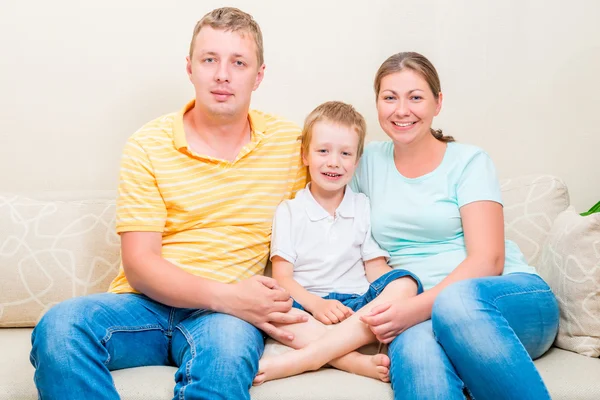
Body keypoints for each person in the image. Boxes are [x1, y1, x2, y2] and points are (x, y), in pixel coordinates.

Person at [29, 7, 308, 400]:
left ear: (258, 75)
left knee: (226, 363)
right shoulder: (148, 144)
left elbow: (338, 207)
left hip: (223, 320)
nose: (222, 75)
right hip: (143, 306)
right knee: (58, 328)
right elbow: (140, 265)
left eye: (238, 62)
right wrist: (231, 296)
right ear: (190, 68)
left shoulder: (291, 146)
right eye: (209, 59)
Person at [352, 52, 560, 399]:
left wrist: (412, 309)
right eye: (390, 97)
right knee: (415, 347)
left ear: (438, 103)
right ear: (377, 104)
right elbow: (354, 243)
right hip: (420, 317)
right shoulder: (365, 162)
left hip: (504, 298)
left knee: (456, 302)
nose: (402, 110)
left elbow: (488, 260)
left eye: (415, 97)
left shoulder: (469, 161)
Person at [253, 101, 422, 384]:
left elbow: (374, 267)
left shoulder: (362, 206)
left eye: (345, 153)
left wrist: (389, 295)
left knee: (406, 284)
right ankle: (351, 361)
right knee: (275, 312)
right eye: (323, 151)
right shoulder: (290, 211)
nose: (334, 162)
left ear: (356, 162)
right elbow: (283, 278)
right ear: (305, 155)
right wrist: (316, 305)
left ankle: (316, 353)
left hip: (355, 306)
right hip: (306, 303)